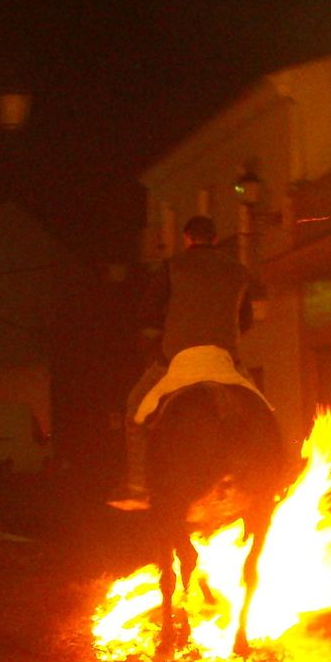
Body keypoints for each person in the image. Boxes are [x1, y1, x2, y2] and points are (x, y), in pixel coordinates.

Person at [108, 215, 259, 511]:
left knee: (135, 407)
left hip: (177, 357)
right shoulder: (239, 272)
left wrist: (164, 333)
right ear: (215, 239)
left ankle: (137, 485)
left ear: (188, 239)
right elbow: (247, 320)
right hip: (224, 358)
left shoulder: (172, 266)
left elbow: (149, 312)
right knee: (262, 408)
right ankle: (275, 472)